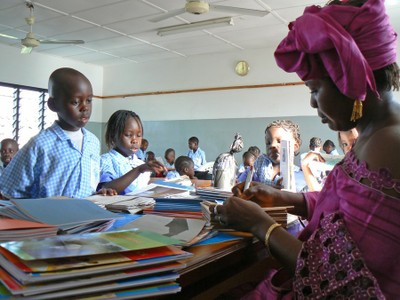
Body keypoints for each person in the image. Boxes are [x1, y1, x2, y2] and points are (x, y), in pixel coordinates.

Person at [213, 0, 399, 298]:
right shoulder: (376, 136)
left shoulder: (388, 145)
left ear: (348, 79)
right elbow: (346, 213)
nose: (312, 103)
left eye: (314, 90)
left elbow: (342, 282)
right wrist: (285, 198)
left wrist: (260, 224)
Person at [0, 68, 115, 199]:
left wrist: (98, 192)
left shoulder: (93, 141)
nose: (85, 107)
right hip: (49, 217)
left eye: (89, 100)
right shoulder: (40, 144)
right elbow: (10, 190)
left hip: (87, 214)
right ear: (53, 105)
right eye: (75, 102)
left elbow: (90, 184)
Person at [99, 110, 166, 195]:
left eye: (139, 135)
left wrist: (166, 183)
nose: (135, 140)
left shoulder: (139, 162)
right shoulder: (106, 161)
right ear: (113, 136)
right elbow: (107, 188)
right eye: (128, 135)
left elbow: (142, 185)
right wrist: (138, 170)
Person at [238, 120, 306, 192]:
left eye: (279, 141)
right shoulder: (259, 166)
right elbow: (240, 185)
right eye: (268, 142)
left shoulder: (298, 175)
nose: (272, 145)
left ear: (295, 146)